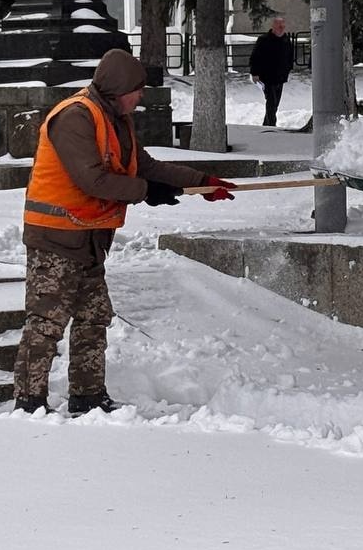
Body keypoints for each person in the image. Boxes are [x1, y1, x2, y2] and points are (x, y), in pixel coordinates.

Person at [15, 48, 236, 415]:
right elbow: (93, 180)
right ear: (119, 89)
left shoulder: (113, 117)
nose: (141, 96)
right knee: (47, 321)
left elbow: (142, 164)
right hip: (55, 235)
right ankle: (29, 401)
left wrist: (201, 182)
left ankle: (87, 396)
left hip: (87, 237)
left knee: (94, 316)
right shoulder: (75, 117)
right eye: (138, 89)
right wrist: (146, 192)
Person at [248, 14, 294, 127]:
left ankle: (266, 123)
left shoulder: (286, 40)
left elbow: (289, 56)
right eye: (279, 26)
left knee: (275, 103)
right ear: (273, 27)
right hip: (267, 76)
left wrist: (288, 69)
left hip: (280, 77)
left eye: (283, 26)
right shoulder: (264, 40)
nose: (281, 29)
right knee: (271, 101)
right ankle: (271, 125)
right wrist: (255, 73)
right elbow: (255, 57)